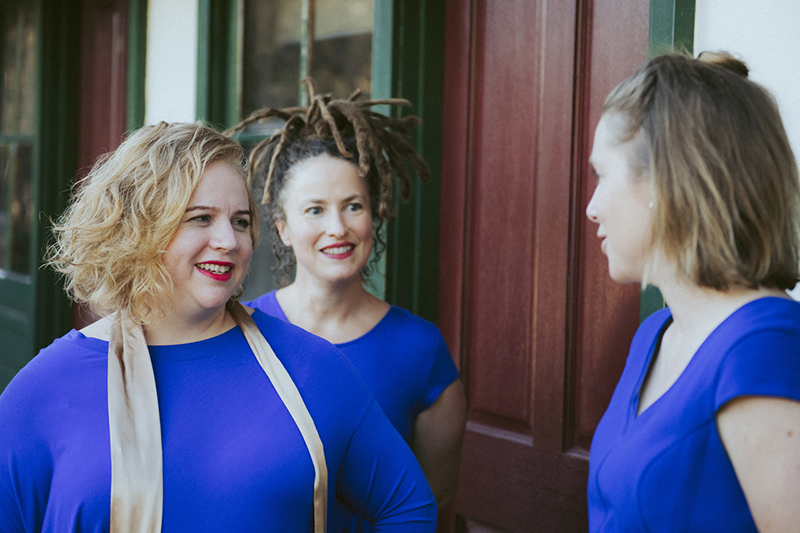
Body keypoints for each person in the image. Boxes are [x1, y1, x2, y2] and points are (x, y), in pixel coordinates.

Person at [0, 122, 437, 532]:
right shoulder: (43, 391)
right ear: (137, 230)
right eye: (200, 218)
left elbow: (408, 506)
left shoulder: (310, 368)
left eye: (241, 221)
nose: (230, 241)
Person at [228, 85, 467, 530]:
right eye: (314, 210)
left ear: (373, 213)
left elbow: (431, 507)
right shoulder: (239, 335)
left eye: (352, 206)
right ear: (281, 227)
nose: (337, 228)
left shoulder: (420, 351)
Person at [585, 52, 800, 532]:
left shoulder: (766, 349)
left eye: (602, 174)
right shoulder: (655, 332)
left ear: (664, 179)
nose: (591, 208)